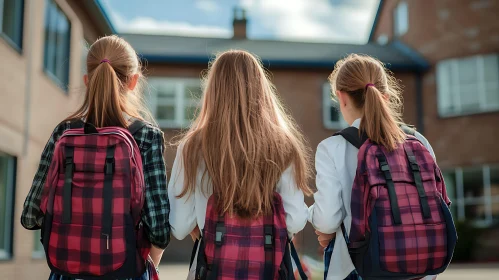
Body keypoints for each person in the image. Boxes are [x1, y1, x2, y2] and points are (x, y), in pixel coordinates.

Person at [20, 35, 169, 280]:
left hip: (66, 272)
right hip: (125, 271)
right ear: (133, 81)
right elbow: (159, 230)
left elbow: (30, 216)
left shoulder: (64, 133)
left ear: (87, 80)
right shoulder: (147, 137)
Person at [168, 50, 312, 279]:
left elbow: (179, 225)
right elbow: (294, 220)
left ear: (214, 89)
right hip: (268, 268)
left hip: (211, 269)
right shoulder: (284, 145)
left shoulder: (192, 147)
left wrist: (201, 225)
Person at [309, 54, 448, 280]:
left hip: (357, 268)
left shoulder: (332, 148)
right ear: (385, 96)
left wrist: (317, 220)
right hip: (421, 268)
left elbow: (327, 219)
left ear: (341, 98)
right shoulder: (418, 141)